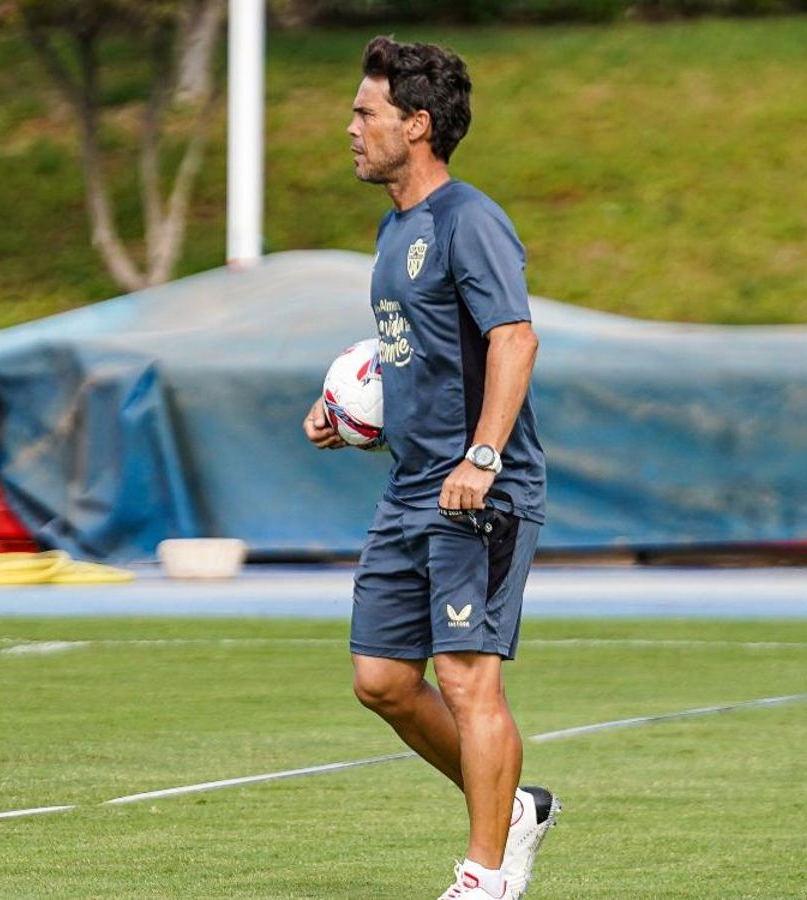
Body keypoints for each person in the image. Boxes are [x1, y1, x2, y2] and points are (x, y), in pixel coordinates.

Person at [303, 36, 557, 900]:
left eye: (365, 111)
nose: (351, 127)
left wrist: (482, 458)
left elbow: (513, 338)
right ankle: (513, 808)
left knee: (464, 678)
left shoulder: (469, 219)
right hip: (409, 486)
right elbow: (414, 352)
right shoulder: (395, 228)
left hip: (477, 490)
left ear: (416, 125)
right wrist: (350, 415)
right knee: (381, 681)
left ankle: (486, 874)